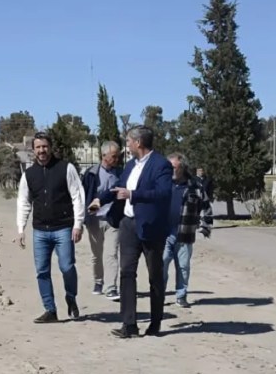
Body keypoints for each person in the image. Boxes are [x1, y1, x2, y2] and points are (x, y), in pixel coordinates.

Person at [98, 126, 173, 338]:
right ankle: (129, 324)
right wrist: (99, 200)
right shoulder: (130, 166)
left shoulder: (161, 165)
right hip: (128, 225)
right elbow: (118, 189)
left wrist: (133, 194)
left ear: (138, 143)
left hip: (151, 227)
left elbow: (163, 193)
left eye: (128, 141)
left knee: (154, 276)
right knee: (127, 273)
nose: (126, 145)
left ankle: (155, 323)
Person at [16, 132, 86, 323]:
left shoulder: (66, 168)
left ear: (50, 147)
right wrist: (21, 228)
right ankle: (50, 310)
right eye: (38, 147)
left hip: (63, 228)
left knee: (67, 266)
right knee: (42, 271)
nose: (42, 151)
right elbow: (23, 202)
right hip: (40, 230)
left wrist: (78, 224)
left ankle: (71, 297)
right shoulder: (29, 175)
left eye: (44, 146)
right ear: (33, 150)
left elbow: (77, 196)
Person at [164, 153, 213, 308]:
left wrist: (206, 226)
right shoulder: (162, 184)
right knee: (161, 264)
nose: (169, 170)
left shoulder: (195, 187)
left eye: (173, 167)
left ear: (182, 167)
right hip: (163, 234)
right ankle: (159, 295)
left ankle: (181, 295)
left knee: (183, 267)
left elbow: (207, 207)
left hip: (185, 234)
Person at [83, 141, 123, 301]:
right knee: (97, 254)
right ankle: (98, 281)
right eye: (114, 156)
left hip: (113, 219)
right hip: (94, 220)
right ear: (104, 156)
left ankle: (111, 287)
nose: (117, 159)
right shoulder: (91, 173)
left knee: (111, 253)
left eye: (118, 156)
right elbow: (84, 195)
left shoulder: (121, 174)